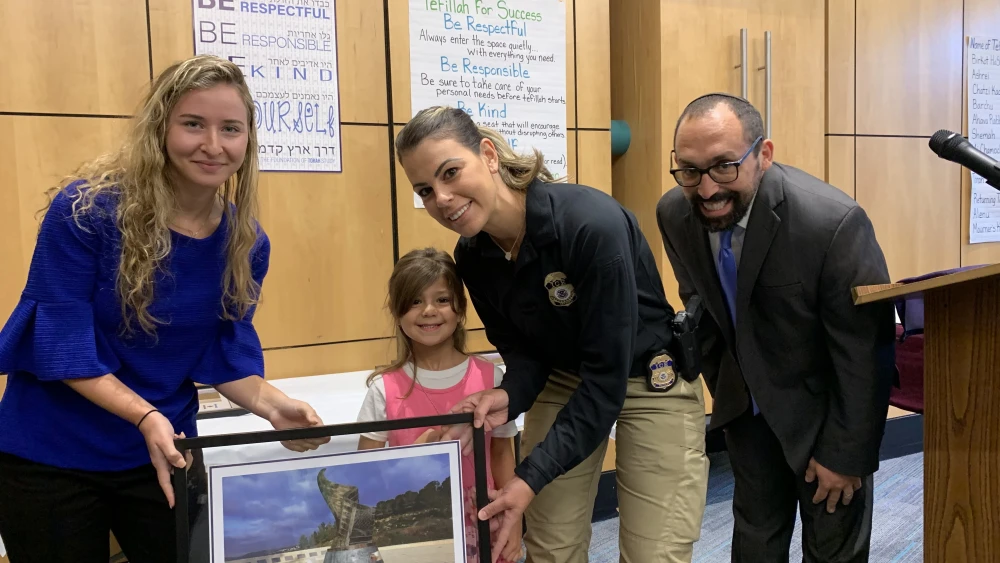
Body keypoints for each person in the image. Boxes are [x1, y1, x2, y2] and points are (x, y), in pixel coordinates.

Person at [0, 55, 329, 563]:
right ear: (160, 128)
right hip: (51, 455)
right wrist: (144, 415)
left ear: (248, 140)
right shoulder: (85, 212)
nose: (213, 145)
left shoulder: (244, 242)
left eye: (231, 128)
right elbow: (62, 347)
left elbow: (222, 356)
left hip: (165, 449)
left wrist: (272, 406)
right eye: (193, 124)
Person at [395, 105, 710, 563]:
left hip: (648, 376)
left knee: (655, 555)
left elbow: (605, 382)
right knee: (551, 549)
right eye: (425, 189)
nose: (441, 198)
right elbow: (524, 354)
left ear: (488, 155)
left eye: (450, 172)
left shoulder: (589, 224)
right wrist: (508, 396)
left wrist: (528, 478)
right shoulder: (473, 256)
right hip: (564, 377)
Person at [655, 92, 896, 562]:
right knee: (754, 545)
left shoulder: (830, 223)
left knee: (832, 551)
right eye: (689, 170)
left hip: (824, 417)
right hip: (748, 415)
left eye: (724, 167)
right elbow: (701, 309)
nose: (706, 189)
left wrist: (846, 454)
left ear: (763, 154)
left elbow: (866, 350)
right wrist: (728, 394)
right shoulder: (674, 214)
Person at [355, 247, 522, 563]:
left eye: (442, 299)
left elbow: (502, 454)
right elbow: (366, 474)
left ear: (460, 309)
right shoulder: (383, 390)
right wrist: (418, 454)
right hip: (416, 536)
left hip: (482, 522)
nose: (429, 310)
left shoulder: (491, 378)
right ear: (397, 312)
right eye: (415, 301)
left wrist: (514, 522)